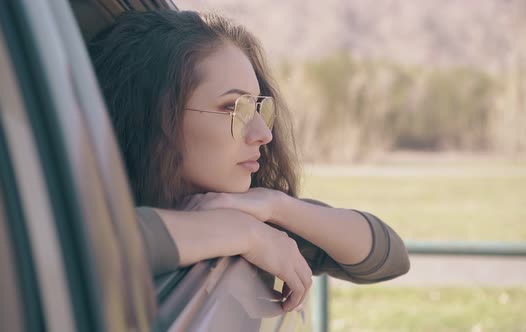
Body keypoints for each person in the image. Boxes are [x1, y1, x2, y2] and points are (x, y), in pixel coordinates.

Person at [88, 9, 409, 312]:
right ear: (150, 118)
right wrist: (238, 233)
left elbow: (390, 256)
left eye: (257, 107)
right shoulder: (84, 211)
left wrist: (275, 205)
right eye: (232, 107)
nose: (263, 134)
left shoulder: (237, 206)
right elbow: (83, 244)